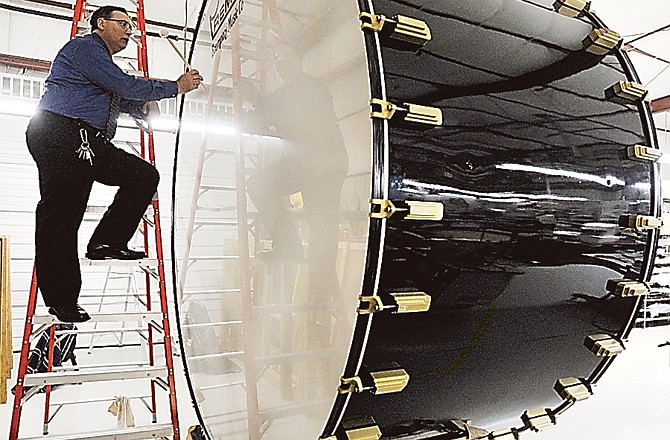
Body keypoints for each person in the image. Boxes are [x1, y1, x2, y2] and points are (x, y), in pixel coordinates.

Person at [26, 5, 203, 323]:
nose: (129, 31)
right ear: (101, 24)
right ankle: (61, 300)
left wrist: (142, 109)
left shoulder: (99, 65)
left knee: (143, 175)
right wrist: (174, 87)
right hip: (62, 133)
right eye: (122, 24)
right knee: (62, 217)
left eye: (131, 26)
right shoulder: (85, 47)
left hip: (86, 140)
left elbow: (117, 96)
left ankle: (107, 241)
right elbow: (123, 85)